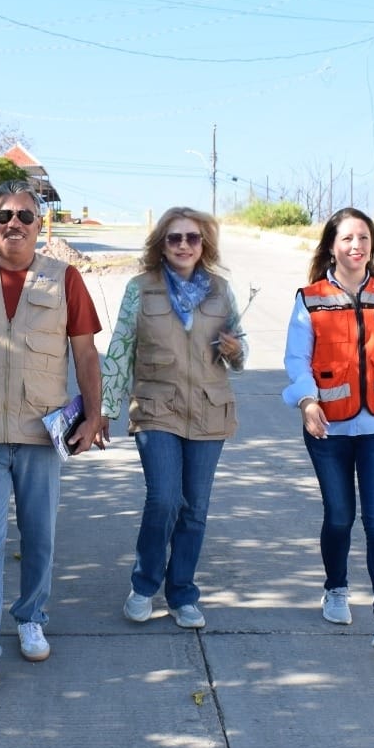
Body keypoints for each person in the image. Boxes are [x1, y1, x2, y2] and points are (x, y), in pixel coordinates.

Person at [0, 181, 106, 685]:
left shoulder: (65, 278)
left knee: (40, 538)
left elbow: (86, 354)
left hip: (39, 432)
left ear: (40, 225)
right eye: (4, 215)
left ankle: (31, 619)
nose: (15, 223)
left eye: (26, 216)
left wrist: (93, 416)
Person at [282, 207, 374, 649]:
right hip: (329, 427)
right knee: (341, 516)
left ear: (372, 246)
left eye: (363, 238)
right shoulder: (310, 299)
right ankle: (336, 588)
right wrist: (307, 402)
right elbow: (295, 360)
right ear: (332, 246)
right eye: (347, 238)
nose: (356, 246)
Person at [101, 207, 246, 630]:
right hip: (156, 410)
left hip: (208, 411)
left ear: (205, 245)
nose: (184, 245)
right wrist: (105, 412)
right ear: (160, 245)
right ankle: (145, 585)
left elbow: (239, 357)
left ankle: (182, 592)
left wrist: (235, 350)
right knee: (164, 499)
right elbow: (120, 351)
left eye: (193, 238)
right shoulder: (140, 289)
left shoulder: (220, 291)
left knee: (195, 508)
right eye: (174, 238)